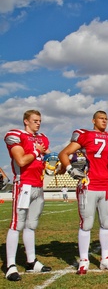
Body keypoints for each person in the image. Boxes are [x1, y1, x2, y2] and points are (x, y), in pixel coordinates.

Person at [58, 110, 108, 275]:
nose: (104, 121)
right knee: (86, 224)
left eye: (106, 118)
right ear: (93, 120)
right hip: (89, 184)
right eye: (101, 118)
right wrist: (71, 169)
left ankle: (106, 259)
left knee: (107, 223)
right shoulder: (85, 135)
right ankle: (84, 260)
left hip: (107, 185)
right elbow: (63, 154)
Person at [4, 109, 52, 282]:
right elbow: (21, 161)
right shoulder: (15, 135)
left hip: (38, 186)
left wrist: (50, 161)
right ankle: (10, 265)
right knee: (17, 225)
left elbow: (45, 158)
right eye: (35, 120)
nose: (38, 123)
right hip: (23, 184)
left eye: (40, 120)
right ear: (26, 121)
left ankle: (31, 261)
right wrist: (38, 152)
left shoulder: (43, 138)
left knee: (31, 225)